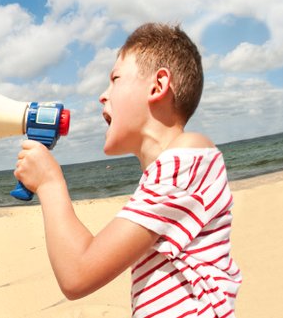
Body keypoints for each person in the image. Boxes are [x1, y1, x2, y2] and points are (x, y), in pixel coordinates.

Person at [14, 23, 241, 317]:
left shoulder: (188, 157)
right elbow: (88, 255)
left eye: (115, 79)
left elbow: (78, 273)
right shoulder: (170, 174)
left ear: (158, 86)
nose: (102, 95)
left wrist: (49, 183)